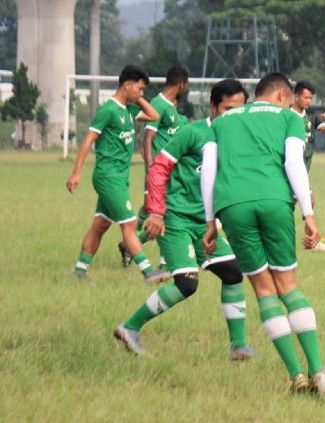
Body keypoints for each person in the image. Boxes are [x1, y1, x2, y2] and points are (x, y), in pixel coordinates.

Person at [113, 79, 255, 361]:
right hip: (175, 218)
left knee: (233, 273)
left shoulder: (238, 139)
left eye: (239, 109)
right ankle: (129, 328)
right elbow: (158, 168)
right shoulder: (192, 133)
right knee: (187, 284)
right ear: (213, 107)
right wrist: (155, 211)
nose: (233, 115)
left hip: (205, 223)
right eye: (227, 108)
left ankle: (238, 347)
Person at [201, 72, 325, 393]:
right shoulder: (289, 117)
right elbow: (294, 164)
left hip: (232, 205)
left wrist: (210, 220)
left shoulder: (222, 120)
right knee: (288, 286)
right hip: (273, 200)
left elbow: (209, 169)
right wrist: (308, 215)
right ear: (284, 96)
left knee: (264, 290)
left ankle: (296, 375)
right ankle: (318, 371)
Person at [66, 65, 170, 284]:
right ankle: (148, 271)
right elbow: (88, 141)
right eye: (140, 89)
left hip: (120, 178)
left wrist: (137, 98)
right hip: (107, 176)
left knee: (100, 225)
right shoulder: (109, 110)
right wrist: (76, 173)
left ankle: (79, 272)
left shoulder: (129, 110)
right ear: (127, 84)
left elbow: (154, 115)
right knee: (130, 224)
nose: (142, 94)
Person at [118, 66, 190, 268]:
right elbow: (147, 139)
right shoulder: (158, 103)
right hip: (159, 172)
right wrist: (151, 170)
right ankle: (165, 262)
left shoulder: (172, 106)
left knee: (152, 213)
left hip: (171, 172)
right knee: (162, 215)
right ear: (181, 84)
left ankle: (128, 244)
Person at [291, 80, 325, 252]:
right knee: (307, 200)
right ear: (296, 96)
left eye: (311, 98)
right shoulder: (287, 115)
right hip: (291, 168)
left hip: (303, 169)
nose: (308, 101)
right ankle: (313, 241)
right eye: (305, 97)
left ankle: (311, 240)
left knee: (300, 202)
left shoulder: (311, 116)